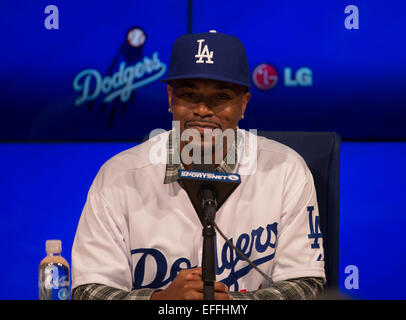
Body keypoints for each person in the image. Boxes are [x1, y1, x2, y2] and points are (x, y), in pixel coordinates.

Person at [71, 31, 325, 300]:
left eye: (221, 97)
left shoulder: (286, 170)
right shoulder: (119, 176)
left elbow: (304, 285)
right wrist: (161, 302)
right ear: (170, 98)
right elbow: (90, 290)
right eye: (190, 95)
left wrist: (227, 305)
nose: (203, 109)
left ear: (243, 104)